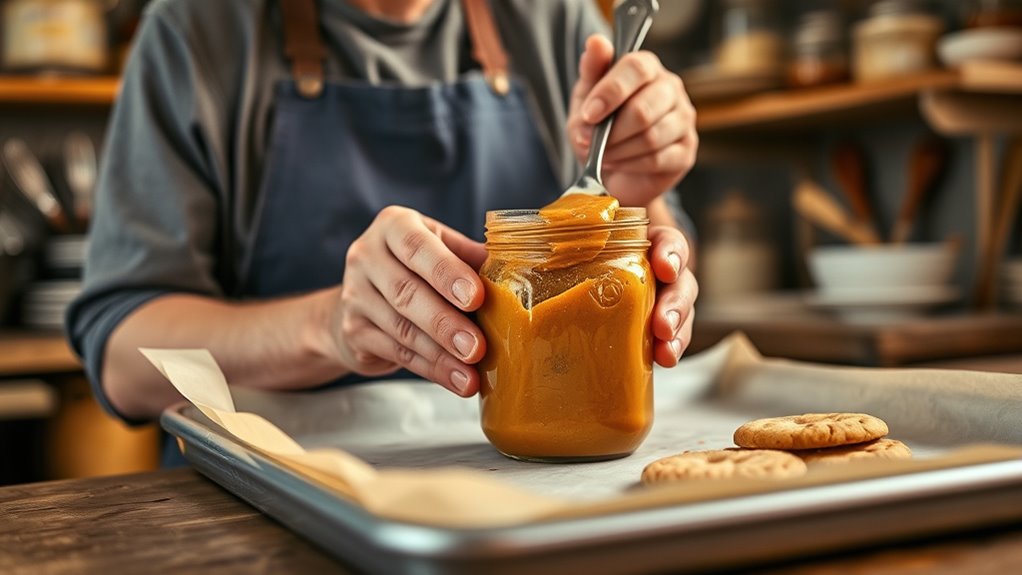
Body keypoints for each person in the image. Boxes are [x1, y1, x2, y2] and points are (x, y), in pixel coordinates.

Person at [67, 0, 699, 437]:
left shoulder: (553, 20)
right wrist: (330, 327)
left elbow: (639, 269)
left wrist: (635, 194)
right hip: (272, 494)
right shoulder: (195, 32)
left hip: (539, 488)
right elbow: (124, 358)